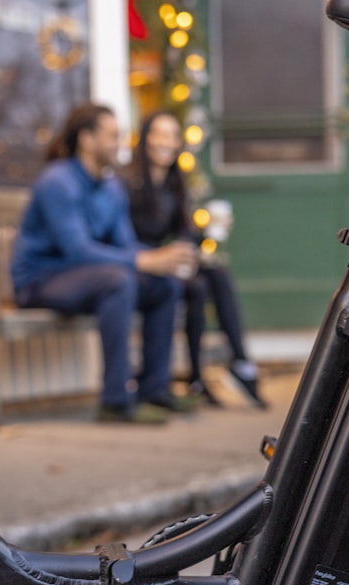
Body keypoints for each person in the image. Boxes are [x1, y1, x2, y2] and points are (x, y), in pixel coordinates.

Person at [10, 103, 198, 424]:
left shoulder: (111, 188)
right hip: (40, 280)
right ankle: (115, 401)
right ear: (87, 139)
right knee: (118, 280)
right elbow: (78, 251)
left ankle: (153, 389)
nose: (120, 144)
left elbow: (125, 245)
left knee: (164, 284)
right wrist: (144, 259)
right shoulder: (58, 182)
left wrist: (163, 260)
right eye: (112, 136)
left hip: (85, 279)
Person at [124, 110, 266, 409]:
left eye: (172, 135)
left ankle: (239, 361)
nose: (166, 142)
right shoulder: (129, 182)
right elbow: (121, 236)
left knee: (216, 273)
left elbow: (184, 233)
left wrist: (205, 234)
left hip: (166, 264)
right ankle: (199, 377)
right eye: (158, 134)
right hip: (140, 266)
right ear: (145, 139)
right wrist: (165, 256)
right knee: (198, 286)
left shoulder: (175, 184)